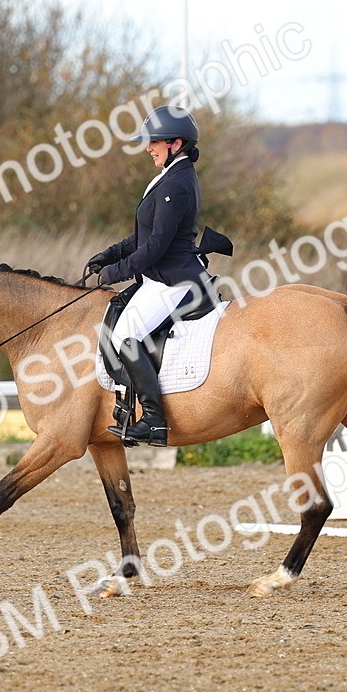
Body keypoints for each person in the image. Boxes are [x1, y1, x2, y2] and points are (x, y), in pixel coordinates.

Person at [86, 104, 214, 448]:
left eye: (153, 142)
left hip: (175, 280)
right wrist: (111, 254)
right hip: (162, 276)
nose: (148, 148)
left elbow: (155, 246)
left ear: (174, 142)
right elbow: (144, 234)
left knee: (126, 333)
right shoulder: (170, 176)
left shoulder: (178, 183)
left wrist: (115, 272)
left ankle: (155, 422)